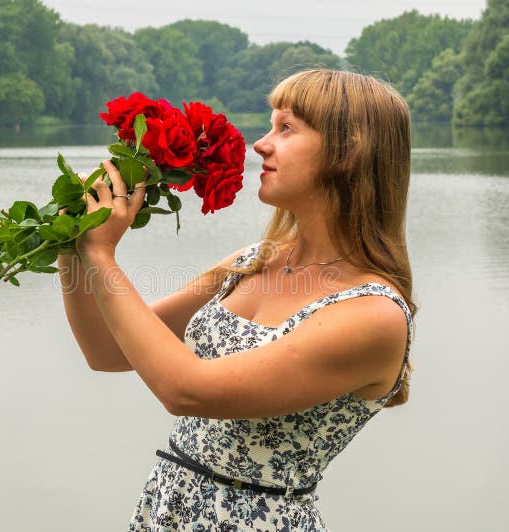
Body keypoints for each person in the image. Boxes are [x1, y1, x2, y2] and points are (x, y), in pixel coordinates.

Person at [57, 69, 416, 530]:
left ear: (348, 151)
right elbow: (106, 351)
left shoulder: (373, 314)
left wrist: (102, 253)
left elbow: (185, 390)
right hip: (166, 512)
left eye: (286, 128)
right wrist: (75, 241)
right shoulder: (251, 261)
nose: (261, 144)